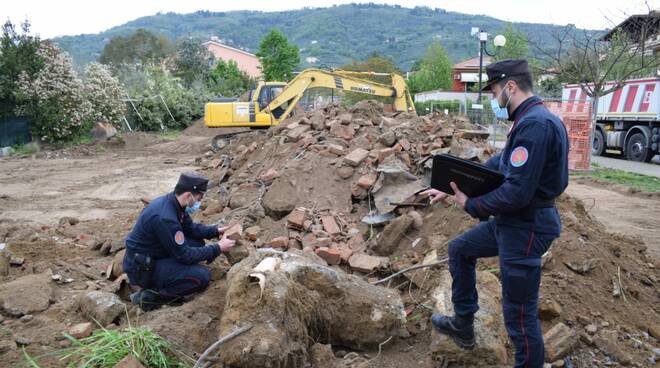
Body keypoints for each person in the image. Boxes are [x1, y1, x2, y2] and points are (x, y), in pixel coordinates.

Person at [421, 59, 569, 367]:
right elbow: (501, 164)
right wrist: (452, 186)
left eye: (494, 91)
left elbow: (516, 192)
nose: (493, 99)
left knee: (518, 314)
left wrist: (470, 205)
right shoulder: (529, 120)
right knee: (460, 250)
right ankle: (463, 324)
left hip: (527, 228)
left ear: (510, 87)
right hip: (513, 223)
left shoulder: (536, 125)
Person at [123, 171, 235, 311]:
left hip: (154, 253)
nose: (199, 203)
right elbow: (185, 255)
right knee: (201, 276)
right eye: (199, 198)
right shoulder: (165, 218)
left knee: (197, 242)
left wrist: (215, 231)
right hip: (142, 268)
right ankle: (151, 296)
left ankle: (170, 274)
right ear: (188, 195)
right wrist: (218, 248)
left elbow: (191, 229)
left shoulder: (175, 204)